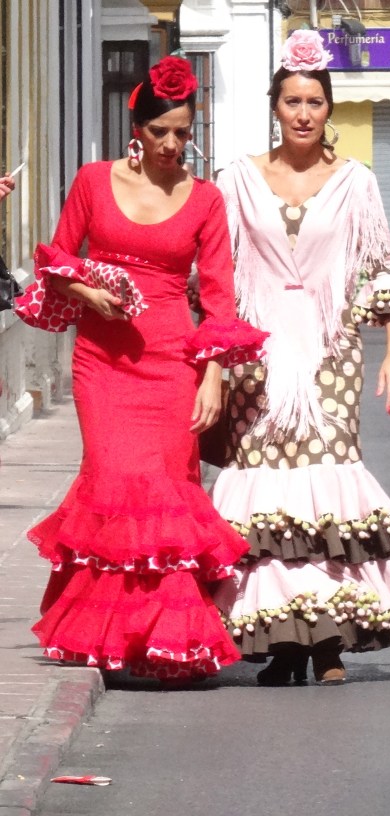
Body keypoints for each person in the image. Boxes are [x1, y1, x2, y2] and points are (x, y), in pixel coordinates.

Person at [14, 57, 267, 683]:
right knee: (111, 480)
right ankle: (110, 637)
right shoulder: (93, 182)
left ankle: (167, 641)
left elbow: (219, 298)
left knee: (165, 493)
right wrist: (86, 295)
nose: (174, 145)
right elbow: (56, 261)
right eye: (162, 133)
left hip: (172, 362)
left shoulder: (205, 200)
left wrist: (212, 375)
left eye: (184, 132)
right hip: (102, 363)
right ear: (138, 128)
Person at [212, 30, 390, 687]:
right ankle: (282, 640)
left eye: (314, 101)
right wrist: (213, 365)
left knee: (326, 490)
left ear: (328, 108)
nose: (303, 112)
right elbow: (216, 276)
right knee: (268, 497)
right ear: (274, 108)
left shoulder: (357, 183)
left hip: (333, 350)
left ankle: (329, 640)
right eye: (291, 101)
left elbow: (380, 273)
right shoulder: (237, 181)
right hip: (257, 353)